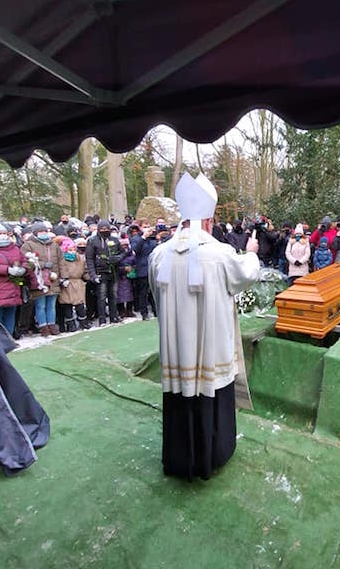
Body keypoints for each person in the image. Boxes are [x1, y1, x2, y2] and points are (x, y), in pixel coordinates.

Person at [149, 172, 260, 480]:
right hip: (211, 349)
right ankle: (212, 456)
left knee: (179, 395)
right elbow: (246, 274)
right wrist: (251, 252)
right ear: (209, 221)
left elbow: (156, 295)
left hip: (176, 351)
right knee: (211, 390)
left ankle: (179, 459)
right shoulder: (220, 254)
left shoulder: (159, 254)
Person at [0, 221, 27, 336]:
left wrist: (23, 269)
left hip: (14, 287)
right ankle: (0, 341)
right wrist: (6, 269)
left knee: (10, 316)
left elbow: (24, 261)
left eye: (4, 233)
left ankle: (9, 338)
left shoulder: (14, 247)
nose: (2, 235)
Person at [21, 222, 62, 336]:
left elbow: (61, 261)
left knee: (51, 305)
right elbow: (26, 262)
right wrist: (43, 265)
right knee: (40, 305)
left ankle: (52, 324)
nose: (43, 233)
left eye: (45, 231)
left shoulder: (54, 245)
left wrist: (63, 276)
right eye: (40, 232)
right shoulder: (28, 245)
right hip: (39, 280)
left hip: (54, 278)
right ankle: (43, 326)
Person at [86, 220, 125, 325]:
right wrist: (93, 275)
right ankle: (102, 320)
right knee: (102, 297)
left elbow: (123, 252)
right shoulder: (92, 241)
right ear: (98, 229)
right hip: (100, 272)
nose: (105, 230)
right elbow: (89, 259)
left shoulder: (115, 240)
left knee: (113, 296)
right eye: (102, 229)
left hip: (113, 271)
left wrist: (118, 258)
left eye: (107, 229)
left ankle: (114, 317)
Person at [58, 238, 90, 331]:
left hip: (78, 283)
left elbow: (85, 270)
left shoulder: (80, 259)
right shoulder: (61, 260)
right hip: (67, 284)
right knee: (67, 304)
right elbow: (58, 271)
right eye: (69, 250)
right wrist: (61, 280)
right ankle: (70, 325)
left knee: (80, 304)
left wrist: (89, 277)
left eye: (73, 249)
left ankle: (83, 323)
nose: (72, 251)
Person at [130, 218, 157, 320]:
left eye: (148, 226)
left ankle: (156, 311)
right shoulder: (136, 239)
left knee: (154, 292)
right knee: (143, 292)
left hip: (153, 268)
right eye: (145, 227)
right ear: (140, 228)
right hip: (142, 268)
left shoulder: (152, 238)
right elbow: (135, 250)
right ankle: (144, 313)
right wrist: (143, 238)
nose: (147, 229)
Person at [116, 238, 137, 318]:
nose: (124, 246)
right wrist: (123, 269)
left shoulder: (131, 254)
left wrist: (133, 268)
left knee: (131, 294)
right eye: (122, 245)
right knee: (119, 295)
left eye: (126, 245)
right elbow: (115, 266)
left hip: (130, 276)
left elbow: (135, 263)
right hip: (120, 277)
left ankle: (129, 310)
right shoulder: (117, 254)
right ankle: (121, 311)